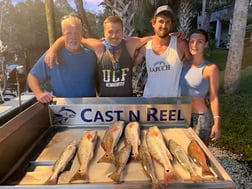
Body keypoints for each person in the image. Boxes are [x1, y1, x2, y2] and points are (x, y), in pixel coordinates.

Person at [45, 16, 153, 97]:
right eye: (110, 32)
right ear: (104, 33)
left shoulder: (130, 44)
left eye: (118, 31)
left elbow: (152, 38)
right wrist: (53, 48)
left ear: (122, 31)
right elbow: (72, 37)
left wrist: (170, 36)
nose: (114, 36)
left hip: (126, 101)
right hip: (104, 103)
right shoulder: (98, 46)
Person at [27, 14, 97, 103]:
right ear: (63, 34)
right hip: (61, 109)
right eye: (69, 33)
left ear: (81, 34)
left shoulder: (91, 55)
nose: (73, 37)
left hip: (89, 108)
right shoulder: (51, 55)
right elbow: (32, 77)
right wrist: (39, 94)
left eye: (76, 33)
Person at [134, 5, 191, 97]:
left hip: (173, 104)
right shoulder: (145, 48)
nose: (164, 26)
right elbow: (130, 63)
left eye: (168, 22)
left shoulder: (180, 44)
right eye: (161, 21)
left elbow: (195, 66)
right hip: (150, 102)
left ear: (171, 24)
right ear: (153, 23)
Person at [180, 29, 221, 146]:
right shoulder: (183, 64)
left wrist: (217, 122)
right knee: (182, 149)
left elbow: (213, 97)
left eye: (200, 42)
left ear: (206, 44)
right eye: (191, 41)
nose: (195, 45)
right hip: (182, 116)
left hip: (200, 118)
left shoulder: (210, 68)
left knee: (200, 153)